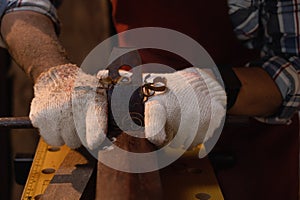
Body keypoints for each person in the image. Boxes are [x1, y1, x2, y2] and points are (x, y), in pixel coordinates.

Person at [0, 0, 299, 199]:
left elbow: (293, 63)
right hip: (143, 100)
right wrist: (53, 74)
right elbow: (21, 5)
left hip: (254, 139)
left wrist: (213, 88)